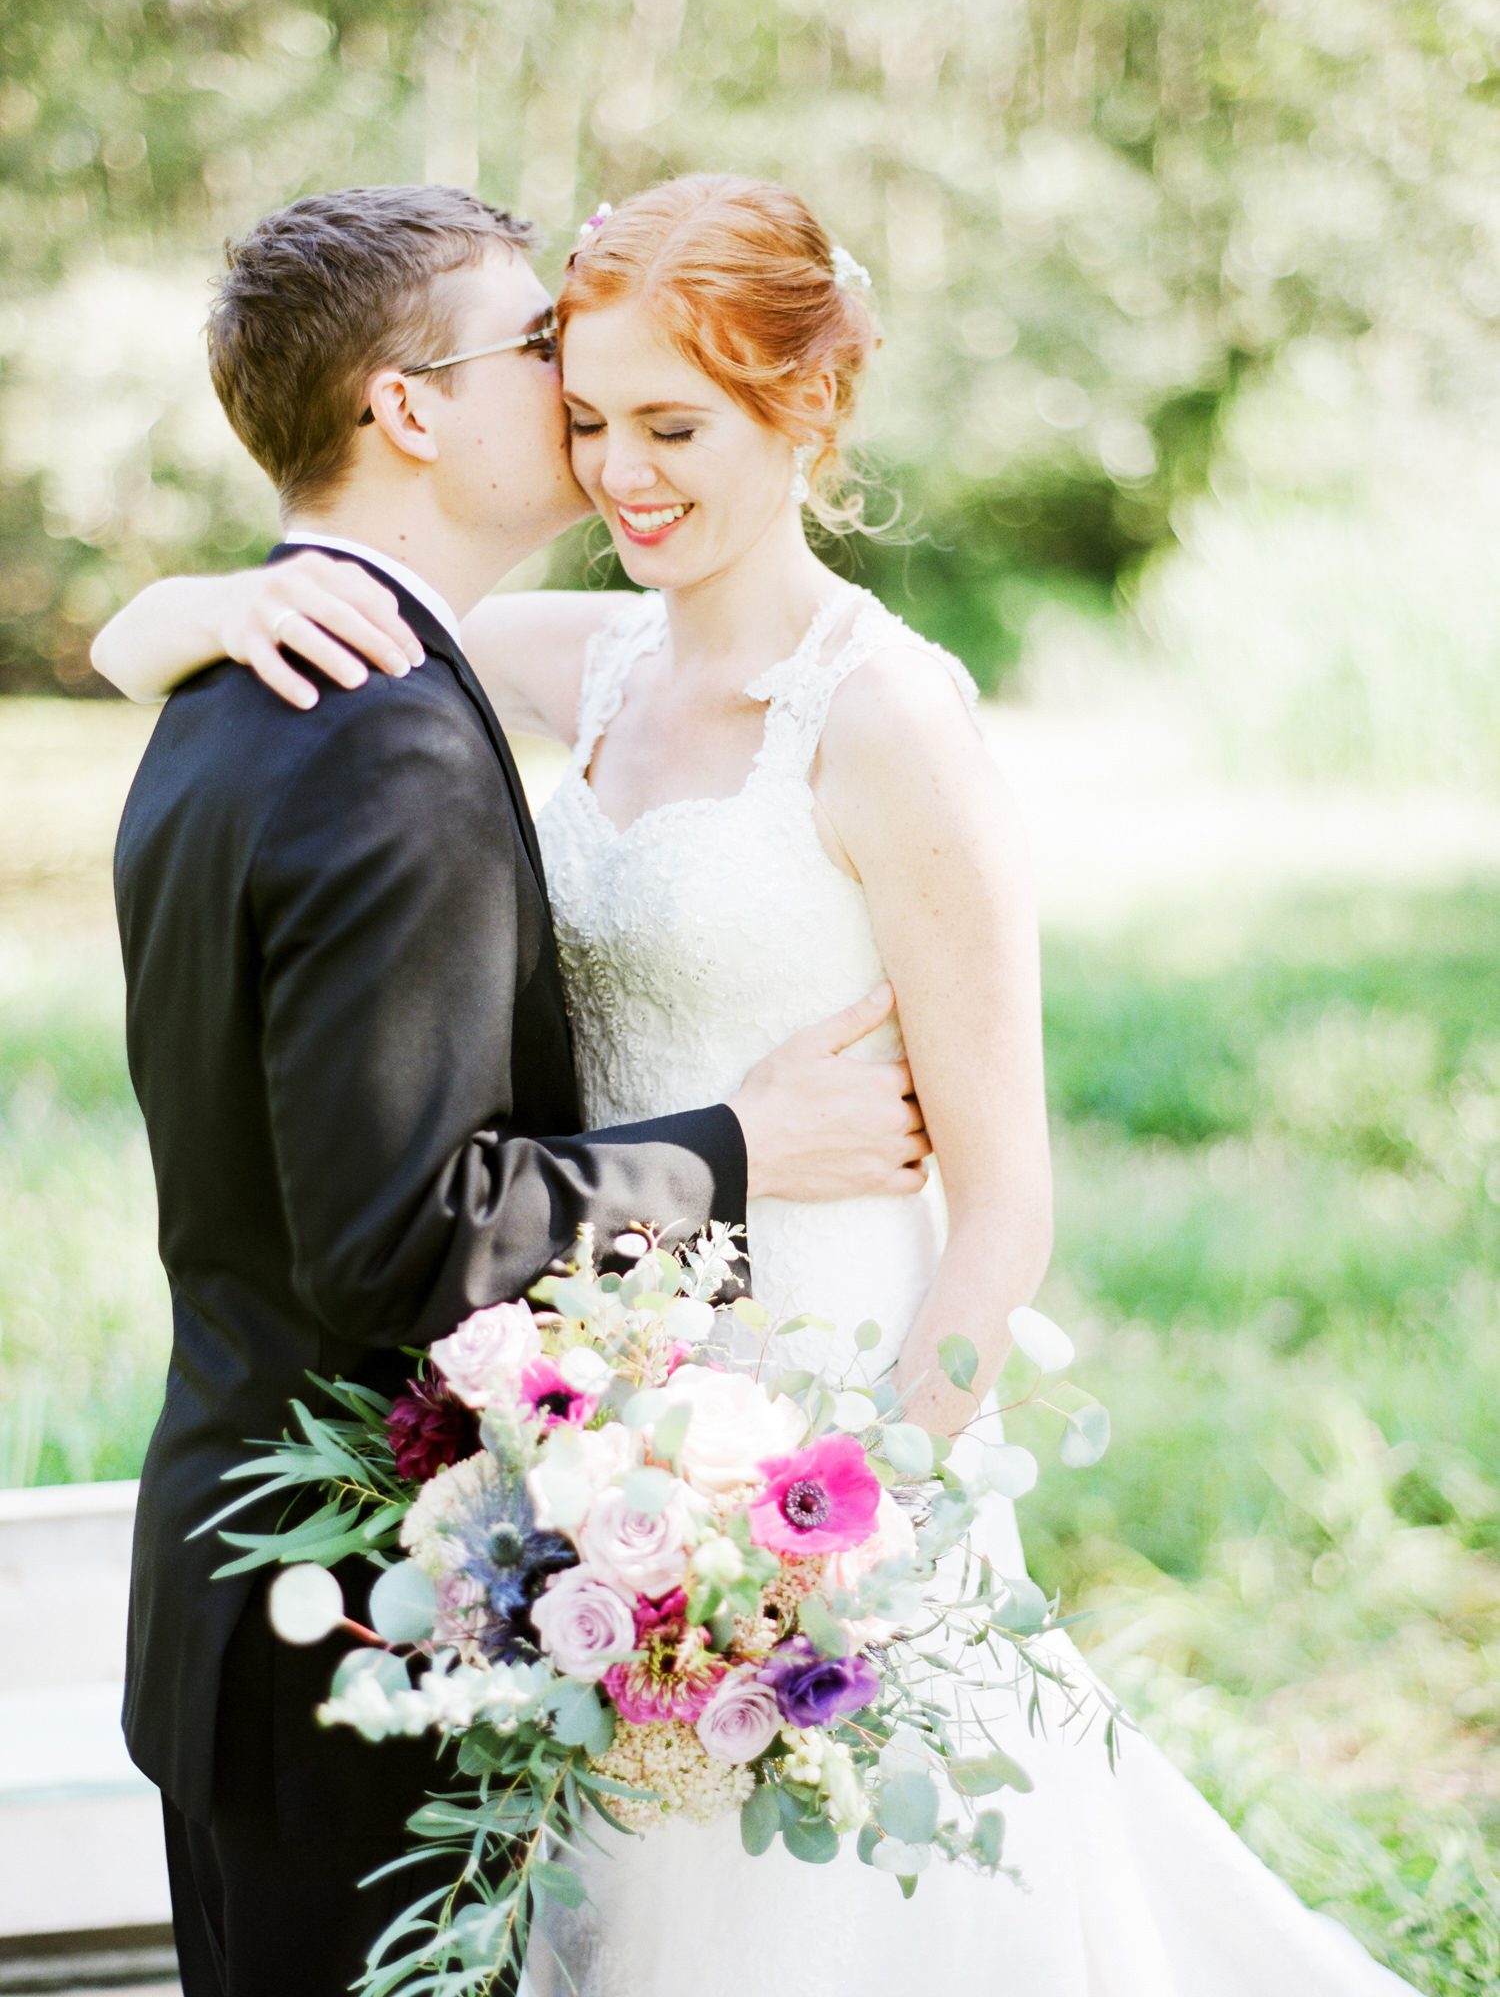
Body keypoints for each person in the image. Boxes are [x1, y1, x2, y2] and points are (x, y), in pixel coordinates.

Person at [96, 177, 1421, 1995]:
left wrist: (844, 1545)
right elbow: (342, 624)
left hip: (825, 1471)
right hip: (587, 1481)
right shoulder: (598, 661)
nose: (621, 471)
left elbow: (1006, 1213)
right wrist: (165, 611)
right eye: (585, 419)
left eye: (672, 425)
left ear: (799, 415)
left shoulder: (889, 717)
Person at [99, 183, 933, 1997]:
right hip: (343, 1643)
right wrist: (743, 1149)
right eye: (541, 349)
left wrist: (159, 609)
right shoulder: (373, 728)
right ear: (408, 407)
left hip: (262, 1603)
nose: (578, 381)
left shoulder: (242, 684)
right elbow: (406, 1235)